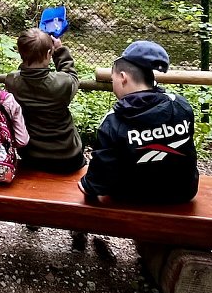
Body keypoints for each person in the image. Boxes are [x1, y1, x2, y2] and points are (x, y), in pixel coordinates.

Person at [79, 41, 199, 204]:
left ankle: (83, 227)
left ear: (123, 78)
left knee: (88, 189)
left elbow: (97, 181)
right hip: (182, 194)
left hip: (129, 198)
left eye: (112, 79)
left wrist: (87, 184)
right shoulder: (180, 105)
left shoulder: (114, 120)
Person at [4, 28, 85, 173]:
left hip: (31, 156)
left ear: (20, 53)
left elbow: (22, 74)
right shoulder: (62, 82)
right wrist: (60, 50)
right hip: (68, 156)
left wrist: (29, 55)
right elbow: (72, 76)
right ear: (49, 54)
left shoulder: (12, 81)